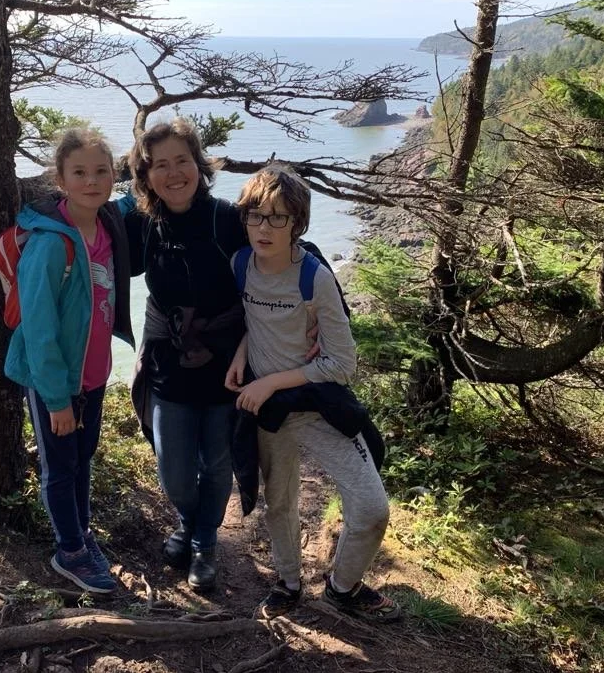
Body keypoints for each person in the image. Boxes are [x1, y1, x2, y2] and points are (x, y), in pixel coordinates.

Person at [225, 165, 402, 622]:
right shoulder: (240, 263)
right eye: (256, 216)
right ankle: (287, 582)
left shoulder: (315, 278)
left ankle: (342, 588)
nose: (264, 228)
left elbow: (342, 365)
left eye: (278, 218)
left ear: (298, 224)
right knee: (279, 503)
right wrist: (243, 355)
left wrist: (270, 381)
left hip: (317, 404)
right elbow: (251, 321)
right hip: (270, 412)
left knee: (371, 508)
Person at [5, 128, 136, 594]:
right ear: (59, 178)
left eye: (102, 171)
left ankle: (82, 534)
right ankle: (69, 551)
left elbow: (135, 202)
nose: (91, 181)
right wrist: (57, 400)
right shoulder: (48, 246)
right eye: (79, 172)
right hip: (53, 383)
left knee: (83, 458)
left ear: (115, 176)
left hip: (94, 376)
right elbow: (39, 330)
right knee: (60, 467)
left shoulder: (106, 225)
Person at [126, 118, 248, 593]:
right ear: (145, 174)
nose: (173, 173)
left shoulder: (228, 219)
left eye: (182, 161)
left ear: (199, 165)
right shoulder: (141, 222)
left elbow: (276, 265)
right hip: (169, 358)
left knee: (216, 461)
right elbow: (83, 219)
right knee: (174, 466)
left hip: (224, 359)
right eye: (159, 165)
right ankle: (187, 519)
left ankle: (203, 541)